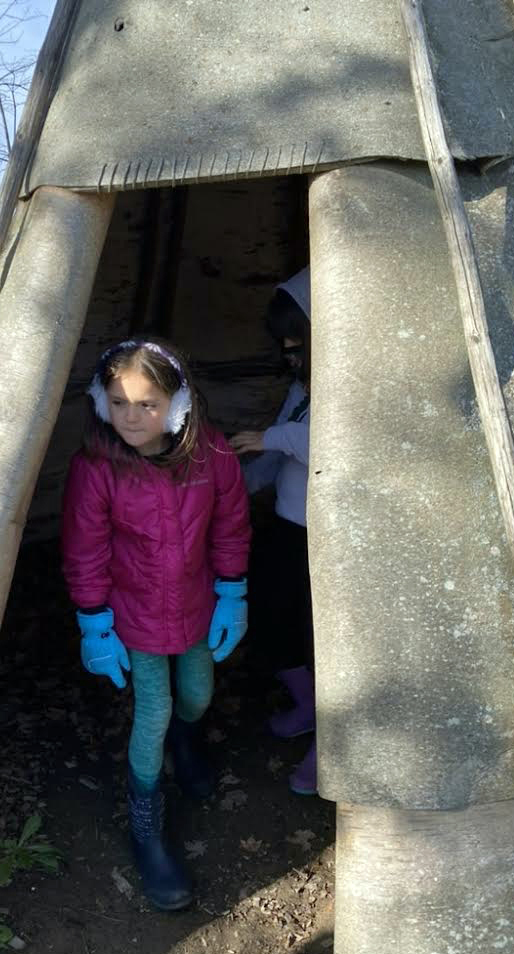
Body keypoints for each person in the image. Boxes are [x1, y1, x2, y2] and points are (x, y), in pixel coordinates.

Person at [62, 339, 251, 910]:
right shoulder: (97, 468)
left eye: (147, 402)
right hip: (135, 616)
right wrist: (94, 621)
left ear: (178, 402)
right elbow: (85, 549)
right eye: (118, 401)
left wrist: (232, 590)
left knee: (196, 692)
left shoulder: (211, 454)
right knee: (156, 709)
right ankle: (146, 824)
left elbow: (231, 525)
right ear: (101, 403)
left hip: (194, 606)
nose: (131, 415)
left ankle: (187, 742)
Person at [230, 267, 316, 796]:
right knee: (272, 617)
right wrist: (237, 488)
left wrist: (273, 436)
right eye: (284, 345)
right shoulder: (301, 388)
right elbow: (274, 455)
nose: (288, 351)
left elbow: (328, 445)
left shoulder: (353, 386)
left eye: (297, 342)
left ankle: (330, 742)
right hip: (289, 525)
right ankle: (308, 705)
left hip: (328, 538)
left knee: (318, 636)